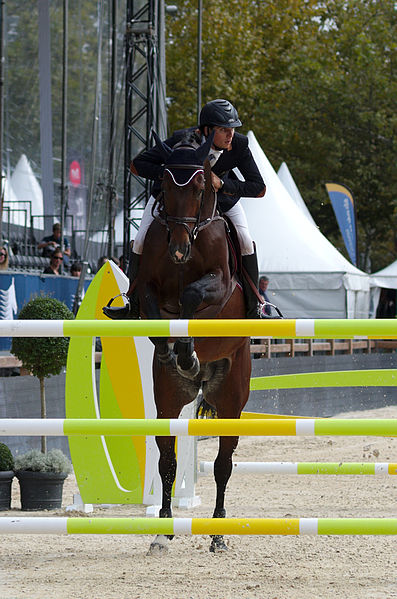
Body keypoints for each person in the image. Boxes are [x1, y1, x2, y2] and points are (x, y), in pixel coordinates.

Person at [103, 98, 266, 320]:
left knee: (246, 240)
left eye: (232, 129)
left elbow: (259, 188)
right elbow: (137, 165)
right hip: (175, 199)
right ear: (207, 130)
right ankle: (131, 302)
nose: (230, 135)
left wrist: (224, 184)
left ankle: (254, 306)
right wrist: (171, 175)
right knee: (140, 239)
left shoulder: (238, 145)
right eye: (223, 129)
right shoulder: (182, 140)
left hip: (221, 201)